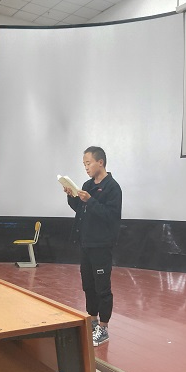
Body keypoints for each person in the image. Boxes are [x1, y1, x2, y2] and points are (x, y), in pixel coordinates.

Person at [64, 146, 122, 346]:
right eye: (84, 164)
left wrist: (90, 200)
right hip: (85, 243)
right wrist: (71, 196)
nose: (86, 168)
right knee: (88, 285)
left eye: (88, 163)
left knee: (102, 287)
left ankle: (103, 328)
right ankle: (93, 321)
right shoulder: (87, 185)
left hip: (101, 245)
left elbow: (111, 216)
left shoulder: (113, 188)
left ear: (100, 162)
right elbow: (80, 209)